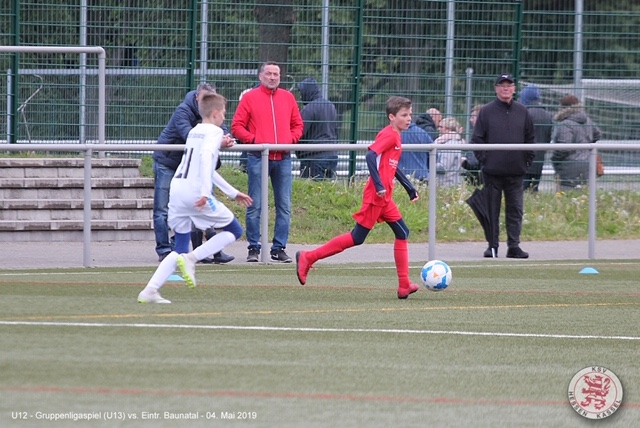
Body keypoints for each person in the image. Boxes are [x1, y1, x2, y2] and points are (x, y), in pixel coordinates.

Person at [295, 96, 421, 300]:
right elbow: (370, 156)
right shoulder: (389, 136)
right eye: (404, 115)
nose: (409, 119)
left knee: (402, 232)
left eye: (410, 114)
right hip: (376, 197)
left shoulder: (396, 136)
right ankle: (308, 257)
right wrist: (379, 185)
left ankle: (404, 284)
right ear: (392, 117)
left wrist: (409, 188)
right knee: (357, 237)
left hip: (385, 198)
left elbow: (391, 166)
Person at [138, 93, 253, 304]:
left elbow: (202, 164)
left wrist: (231, 192)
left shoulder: (195, 131)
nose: (224, 117)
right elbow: (206, 159)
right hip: (194, 192)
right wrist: (205, 192)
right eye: (224, 113)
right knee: (234, 230)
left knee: (180, 246)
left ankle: (150, 290)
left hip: (177, 190)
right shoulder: (215, 131)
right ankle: (192, 258)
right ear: (216, 113)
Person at [152, 82, 235, 264]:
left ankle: (203, 251)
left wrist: (225, 138)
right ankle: (165, 251)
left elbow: (222, 131)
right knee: (162, 210)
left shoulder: (212, 116)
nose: (208, 103)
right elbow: (190, 136)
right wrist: (217, 141)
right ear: (197, 97)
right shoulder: (183, 111)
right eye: (205, 98)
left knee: (200, 208)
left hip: (191, 167)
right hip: (169, 162)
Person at [231, 61, 304, 263]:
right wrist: (255, 141)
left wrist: (290, 139)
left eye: (276, 74)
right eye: (269, 73)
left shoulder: (288, 98)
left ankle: (278, 248)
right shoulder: (250, 98)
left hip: (283, 158)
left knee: (284, 205)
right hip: (258, 157)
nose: (272, 77)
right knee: (254, 204)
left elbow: (298, 124)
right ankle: (254, 247)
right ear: (261, 76)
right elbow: (237, 126)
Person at [470, 73, 535, 259]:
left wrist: (526, 160)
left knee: (515, 210)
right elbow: (477, 139)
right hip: (493, 172)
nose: (505, 88)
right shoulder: (486, 112)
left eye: (509, 85)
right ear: (496, 89)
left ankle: (514, 246)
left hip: (516, 171)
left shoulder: (523, 111)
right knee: (492, 210)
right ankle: (492, 246)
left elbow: (530, 138)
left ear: (514, 88)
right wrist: (485, 160)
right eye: (502, 85)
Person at [551, 94, 602, 190]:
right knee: (585, 195)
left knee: (565, 194)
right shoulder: (587, 120)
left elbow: (564, 147)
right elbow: (597, 134)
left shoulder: (565, 124)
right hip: (588, 164)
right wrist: (587, 146)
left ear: (562, 108)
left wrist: (555, 159)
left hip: (569, 165)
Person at [296, 77, 339, 180]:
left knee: (311, 187)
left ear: (307, 92)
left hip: (313, 156)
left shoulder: (309, 109)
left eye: (301, 93)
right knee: (326, 187)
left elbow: (300, 131)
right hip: (331, 153)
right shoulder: (330, 105)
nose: (301, 96)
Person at [520, 85, 553, 192]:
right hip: (539, 159)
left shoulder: (524, 114)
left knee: (520, 192)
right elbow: (548, 138)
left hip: (522, 160)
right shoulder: (547, 115)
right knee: (533, 190)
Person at [434, 117, 463, 188]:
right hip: (446, 184)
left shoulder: (450, 145)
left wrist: (427, 164)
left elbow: (444, 167)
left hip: (447, 185)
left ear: (448, 129)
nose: (438, 129)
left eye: (441, 127)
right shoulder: (447, 143)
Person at [461, 104, 483, 186]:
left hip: (478, 180)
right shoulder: (477, 133)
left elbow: (474, 163)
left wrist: (464, 163)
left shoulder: (479, 135)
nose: (470, 120)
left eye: (473, 117)